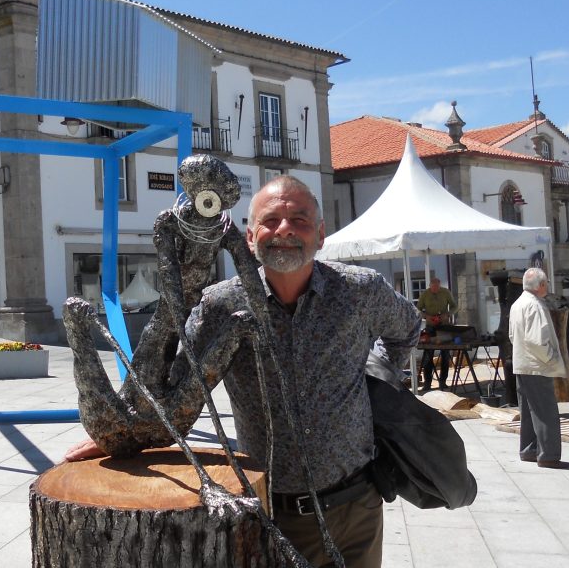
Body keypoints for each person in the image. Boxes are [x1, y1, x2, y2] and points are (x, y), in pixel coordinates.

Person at [65, 175, 423, 567]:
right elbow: (174, 390)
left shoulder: (360, 291)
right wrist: (127, 437)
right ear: (250, 238)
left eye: (300, 220)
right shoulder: (220, 305)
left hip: (356, 509)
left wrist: (374, 381)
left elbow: (407, 328)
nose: (284, 229)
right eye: (270, 221)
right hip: (269, 512)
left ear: (320, 235)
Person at [508, 267, 569, 469]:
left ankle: (529, 450)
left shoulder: (517, 304)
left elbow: (512, 336)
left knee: (528, 411)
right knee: (545, 411)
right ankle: (548, 455)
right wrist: (552, 359)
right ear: (541, 285)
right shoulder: (535, 305)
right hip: (537, 366)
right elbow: (537, 341)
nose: (548, 286)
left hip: (522, 364)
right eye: (547, 283)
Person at [416, 277, 458, 391]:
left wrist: (447, 314)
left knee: (445, 354)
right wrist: (426, 316)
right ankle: (427, 383)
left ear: (439, 286)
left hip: (444, 326)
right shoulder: (425, 294)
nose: (435, 290)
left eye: (437, 288)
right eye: (433, 288)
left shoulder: (446, 292)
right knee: (428, 355)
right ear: (430, 286)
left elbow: (455, 306)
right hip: (430, 327)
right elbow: (417, 309)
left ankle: (443, 381)